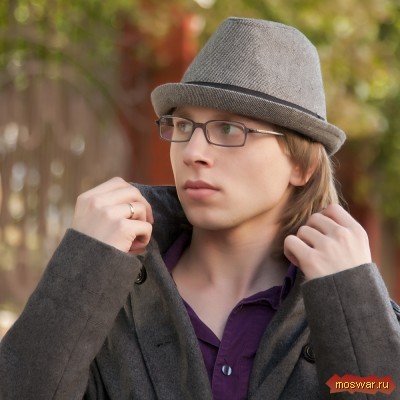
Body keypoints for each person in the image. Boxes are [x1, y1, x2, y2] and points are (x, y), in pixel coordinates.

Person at [1, 17, 399, 400]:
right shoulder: (108, 290)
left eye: (228, 129)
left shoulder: (346, 300)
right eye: (183, 126)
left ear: (302, 165)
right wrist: (82, 265)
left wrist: (352, 303)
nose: (192, 152)